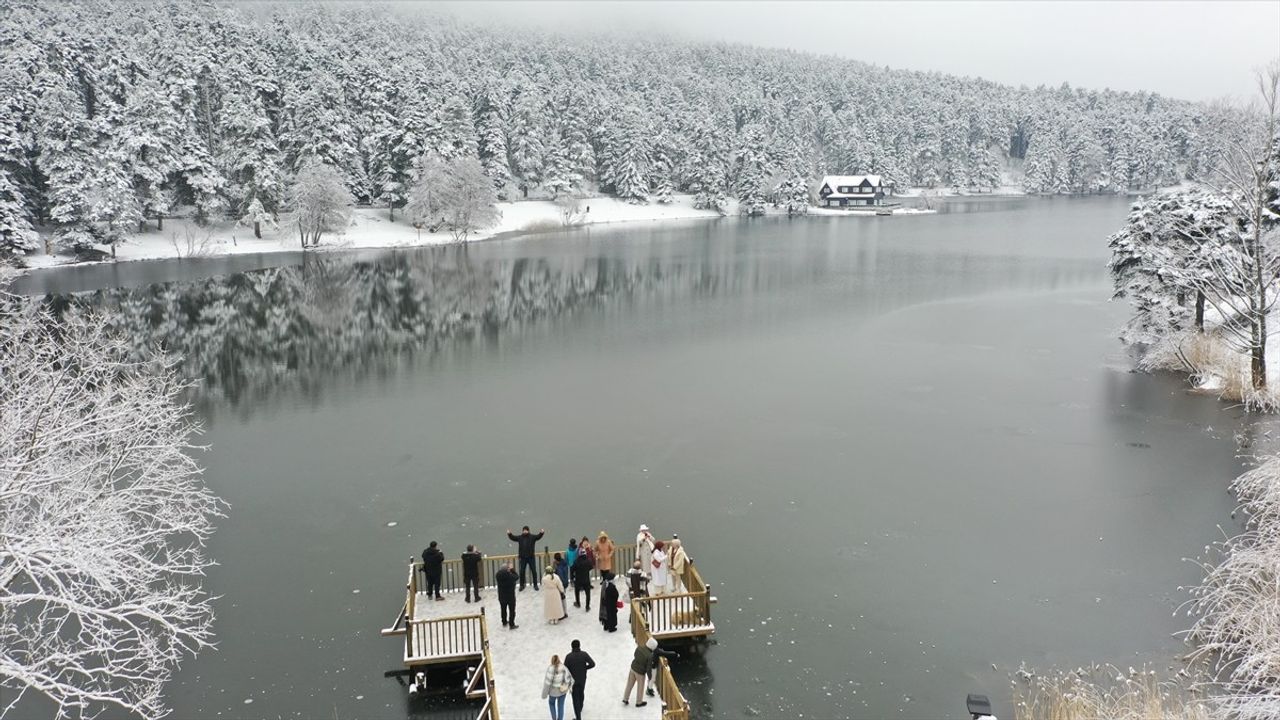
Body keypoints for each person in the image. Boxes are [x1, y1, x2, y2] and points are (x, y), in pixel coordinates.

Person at [563, 639, 596, 720]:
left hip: (572, 681)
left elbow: (565, 670)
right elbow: (592, 664)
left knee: (575, 698)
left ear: (572, 647)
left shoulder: (568, 657)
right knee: (581, 692)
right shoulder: (584, 654)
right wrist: (585, 668)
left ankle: (578, 717)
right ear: (579, 645)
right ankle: (580, 707)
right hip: (582, 679)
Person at [507, 526, 545, 591]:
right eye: (524, 530)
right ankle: (522, 585)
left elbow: (538, 537)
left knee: (534, 571)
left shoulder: (532, 537)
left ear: (528, 531)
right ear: (522, 531)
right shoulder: (520, 538)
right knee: (522, 572)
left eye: (526, 530)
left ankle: (535, 585)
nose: (525, 531)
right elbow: (513, 538)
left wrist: (541, 533)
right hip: (523, 558)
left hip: (531, 557)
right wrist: (509, 534)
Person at [622, 637, 656, 707]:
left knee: (629, 684)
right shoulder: (650, 656)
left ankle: (625, 698)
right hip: (640, 672)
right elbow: (648, 668)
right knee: (640, 687)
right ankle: (639, 702)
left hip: (633, 668)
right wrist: (650, 677)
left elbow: (635, 655)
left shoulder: (639, 648)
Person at [541, 654, 572, 720]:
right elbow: (568, 678)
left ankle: (554, 718)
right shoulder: (563, 667)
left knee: (551, 703)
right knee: (561, 706)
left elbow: (547, 683)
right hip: (562, 691)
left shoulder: (550, 669)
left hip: (553, 693)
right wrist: (568, 686)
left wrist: (544, 694)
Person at [495, 561, 518, 629]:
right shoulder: (509, 576)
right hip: (510, 596)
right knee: (512, 610)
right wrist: (512, 569)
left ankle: (504, 621)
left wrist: (509, 570)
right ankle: (512, 624)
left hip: (501, 596)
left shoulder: (498, 575)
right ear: (507, 569)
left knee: (503, 609)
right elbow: (516, 577)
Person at [571, 547, 594, 611]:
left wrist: (572, 577)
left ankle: (578, 603)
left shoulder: (576, 561)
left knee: (577, 591)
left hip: (578, 579)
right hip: (586, 579)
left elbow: (572, 569)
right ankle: (587, 606)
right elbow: (591, 567)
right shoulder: (588, 561)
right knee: (588, 593)